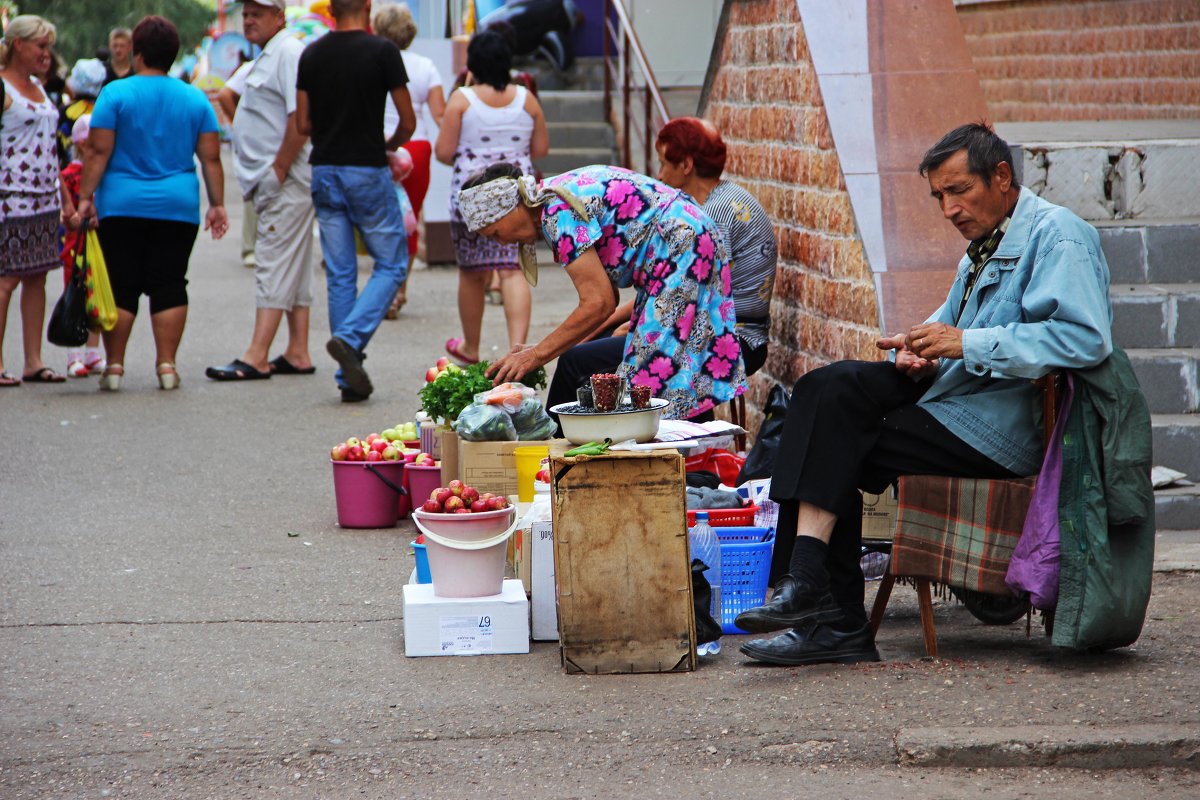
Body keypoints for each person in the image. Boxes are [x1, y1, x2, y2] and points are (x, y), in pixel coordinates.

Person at [733, 122, 1114, 667]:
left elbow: (1084, 338)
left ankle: (829, 613)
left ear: (1001, 176)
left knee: (837, 434)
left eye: (959, 191)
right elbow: (948, 325)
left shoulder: (1060, 236)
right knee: (823, 389)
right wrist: (912, 349)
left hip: (998, 426)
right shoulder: (987, 242)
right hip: (952, 399)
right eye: (939, 196)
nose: (948, 209)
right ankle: (809, 583)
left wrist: (963, 343)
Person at [462, 162, 747, 420]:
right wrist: (545, 346)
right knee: (671, 367)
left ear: (509, 208)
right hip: (688, 240)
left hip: (682, 248)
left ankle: (688, 466)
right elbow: (604, 300)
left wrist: (537, 354)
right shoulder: (555, 199)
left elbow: (598, 302)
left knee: (655, 377)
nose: (502, 243)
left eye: (496, 233)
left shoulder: (556, 213)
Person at [552, 117, 777, 402]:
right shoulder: (713, 200)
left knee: (577, 360)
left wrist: (615, 327)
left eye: (663, 164)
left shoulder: (712, 214)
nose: (658, 175)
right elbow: (673, 289)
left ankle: (567, 440)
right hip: (701, 322)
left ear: (685, 165)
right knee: (596, 341)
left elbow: (689, 294)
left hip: (731, 339)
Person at [76, 15, 229, 392]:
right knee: (170, 283)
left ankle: (113, 368)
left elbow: (97, 152)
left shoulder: (115, 94)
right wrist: (217, 204)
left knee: (122, 285)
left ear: (137, 52)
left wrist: (84, 198)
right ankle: (167, 367)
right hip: (177, 206)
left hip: (121, 204)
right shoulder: (194, 98)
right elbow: (210, 157)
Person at [296, 0, 416, 403]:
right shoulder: (382, 51)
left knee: (340, 272)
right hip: (366, 168)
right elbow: (409, 120)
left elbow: (302, 124)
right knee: (393, 262)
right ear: (366, 6)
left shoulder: (311, 53)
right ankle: (349, 340)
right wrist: (389, 144)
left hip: (325, 170)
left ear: (330, 8)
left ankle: (348, 377)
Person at [206, 0, 316, 383]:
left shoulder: (287, 51)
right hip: (279, 177)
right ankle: (298, 351)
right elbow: (230, 99)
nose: (249, 20)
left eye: (258, 13)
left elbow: (299, 119)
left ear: (279, 16)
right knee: (294, 263)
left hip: (285, 178)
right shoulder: (271, 53)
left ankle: (257, 355)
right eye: (247, 13)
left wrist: (278, 169)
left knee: (272, 260)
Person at [436, 30, 548, 366]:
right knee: (512, 270)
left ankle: (471, 347)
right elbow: (541, 149)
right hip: (516, 199)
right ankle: (519, 350)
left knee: (472, 274)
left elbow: (443, 151)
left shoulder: (461, 99)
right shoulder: (526, 99)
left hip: (472, 202)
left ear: (473, 64)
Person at [0, 15, 67, 388]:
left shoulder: (40, 87)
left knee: (37, 277)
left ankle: (33, 360)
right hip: (9, 198)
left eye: (48, 46)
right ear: (18, 45)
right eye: (41, 46)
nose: (47, 54)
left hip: (44, 198)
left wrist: (67, 200)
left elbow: (51, 150)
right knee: (5, 279)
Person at [372, 2, 446, 317]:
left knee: (379, 220)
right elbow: (440, 114)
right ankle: (399, 291)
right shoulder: (425, 66)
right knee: (409, 220)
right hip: (415, 147)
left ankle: (383, 288)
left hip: (376, 146)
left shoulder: (371, 61)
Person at [58, 115, 106, 378]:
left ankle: (92, 352)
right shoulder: (70, 175)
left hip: (97, 243)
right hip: (75, 246)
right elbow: (61, 208)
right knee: (74, 296)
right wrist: (70, 216)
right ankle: (73, 353)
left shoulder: (103, 173)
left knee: (95, 294)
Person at [218, 57, 258, 270]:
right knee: (254, 194)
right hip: (256, 143)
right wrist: (240, 124)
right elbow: (225, 94)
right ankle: (250, 247)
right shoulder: (253, 66)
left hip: (277, 142)